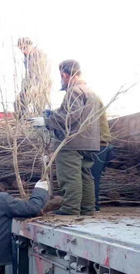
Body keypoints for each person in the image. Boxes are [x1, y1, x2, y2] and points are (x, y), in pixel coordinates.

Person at [30, 60, 101, 216]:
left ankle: (70, 209)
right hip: (89, 143)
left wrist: (46, 121)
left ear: (64, 75)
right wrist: (54, 114)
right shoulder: (91, 92)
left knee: (70, 176)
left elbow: (70, 117)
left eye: (61, 77)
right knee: (85, 175)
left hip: (72, 143)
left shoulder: (74, 91)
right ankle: (87, 209)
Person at [14, 37, 52, 118]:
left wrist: (35, 87)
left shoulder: (39, 55)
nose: (23, 50)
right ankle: (21, 122)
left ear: (30, 45)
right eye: (21, 48)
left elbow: (41, 74)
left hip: (40, 84)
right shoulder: (27, 56)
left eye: (25, 48)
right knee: (18, 103)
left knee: (39, 107)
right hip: (30, 83)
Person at [91, 105, 114, 211]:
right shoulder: (92, 98)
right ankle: (93, 205)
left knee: (91, 176)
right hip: (103, 144)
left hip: (97, 144)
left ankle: (92, 206)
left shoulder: (81, 96)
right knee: (94, 177)